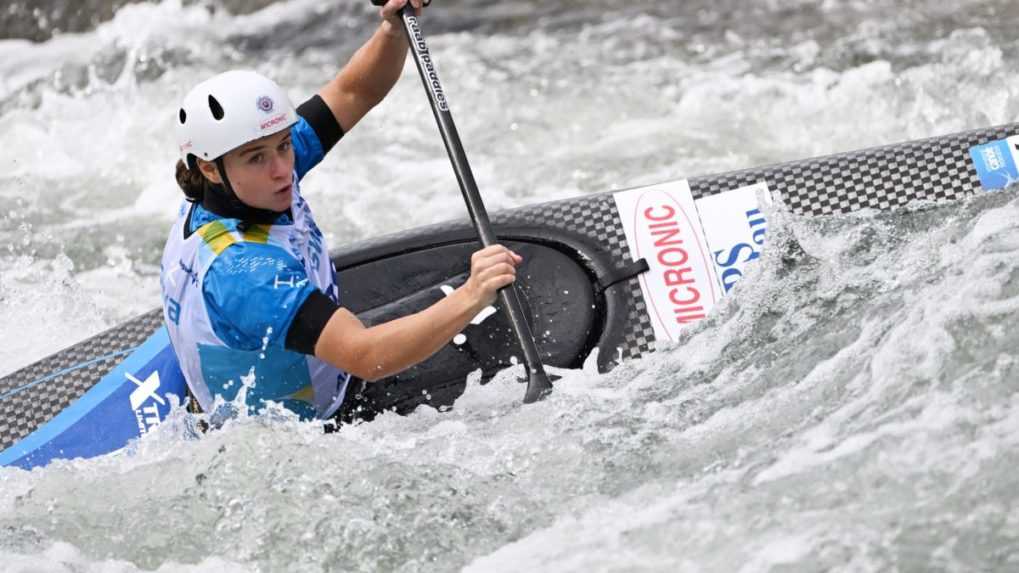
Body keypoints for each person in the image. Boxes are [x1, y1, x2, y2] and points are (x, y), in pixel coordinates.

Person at [160, 0, 521, 422]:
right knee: (492, 313)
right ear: (209, 167)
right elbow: (367, 357)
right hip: (308, 432)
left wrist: (392, 30)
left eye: (283, 145)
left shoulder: (251, 180)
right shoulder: (248, 276)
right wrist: (473, 295)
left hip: (297, 366)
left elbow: (355, 91)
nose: (282, 169)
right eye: (257, 157)